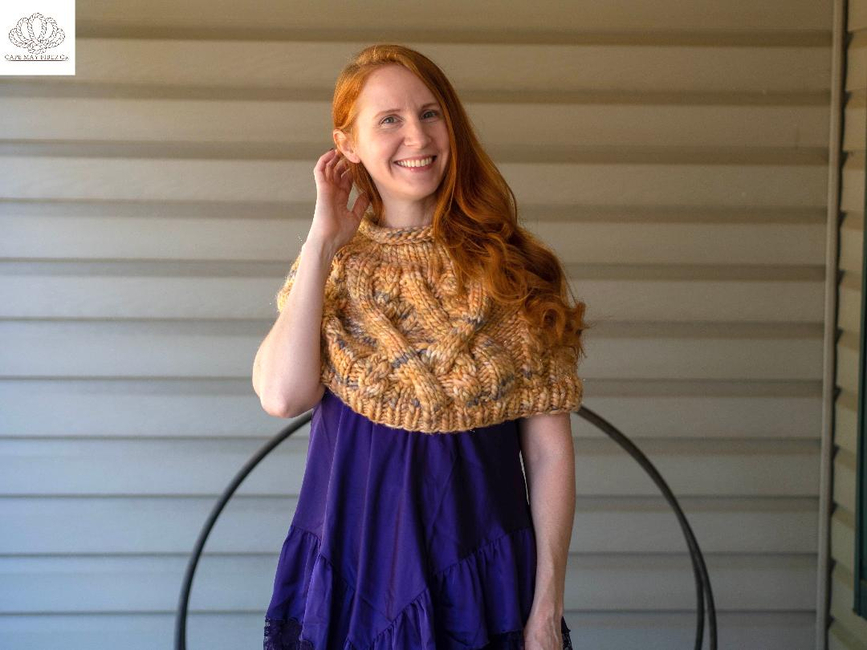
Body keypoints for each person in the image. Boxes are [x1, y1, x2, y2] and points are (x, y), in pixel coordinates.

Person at [252, 43, 588, 650]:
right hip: (352, 577)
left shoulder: (514, 271)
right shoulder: (331, 268)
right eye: (390, 119)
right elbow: (282, 396)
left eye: (431, 113)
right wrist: (323, 241)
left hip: (481, 581)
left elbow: (548, 455)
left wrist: (546, 610)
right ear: (347, 144)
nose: (418, 135)